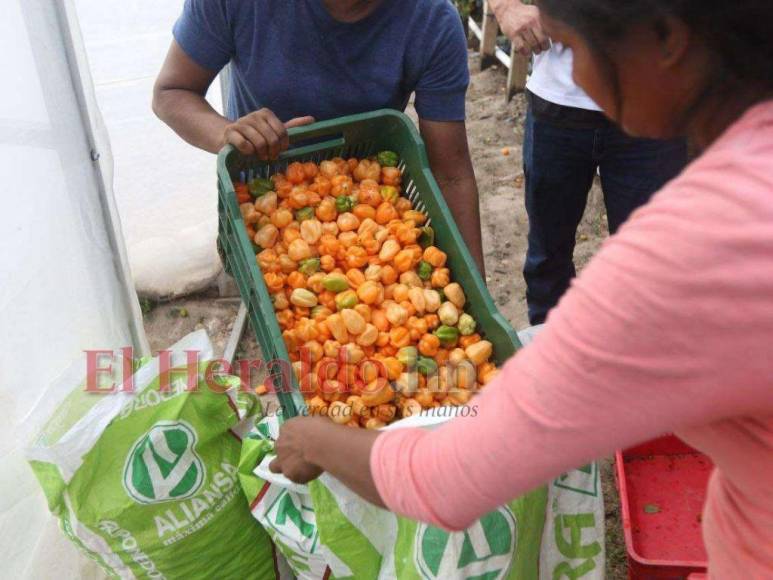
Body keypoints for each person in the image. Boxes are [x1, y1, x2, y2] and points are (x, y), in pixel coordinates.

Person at [270, 1, 773, 576]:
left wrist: (313, 440)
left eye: (575, 49)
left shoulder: (684, 255)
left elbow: (448, 478)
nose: (576, 79)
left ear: (667, 39)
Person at [153, 0, 486, 272]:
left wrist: (480, 304)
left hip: (369, 209)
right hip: (264, 206)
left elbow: (451, 174)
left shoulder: (431, 20)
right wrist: (227, 133)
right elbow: (171, 92)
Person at [488, 0, 687, 325]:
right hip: (558, 102)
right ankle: (551, 359)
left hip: (657, 103)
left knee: (651, 266)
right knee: (547, 261)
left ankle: (637, 364)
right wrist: (505, 7)